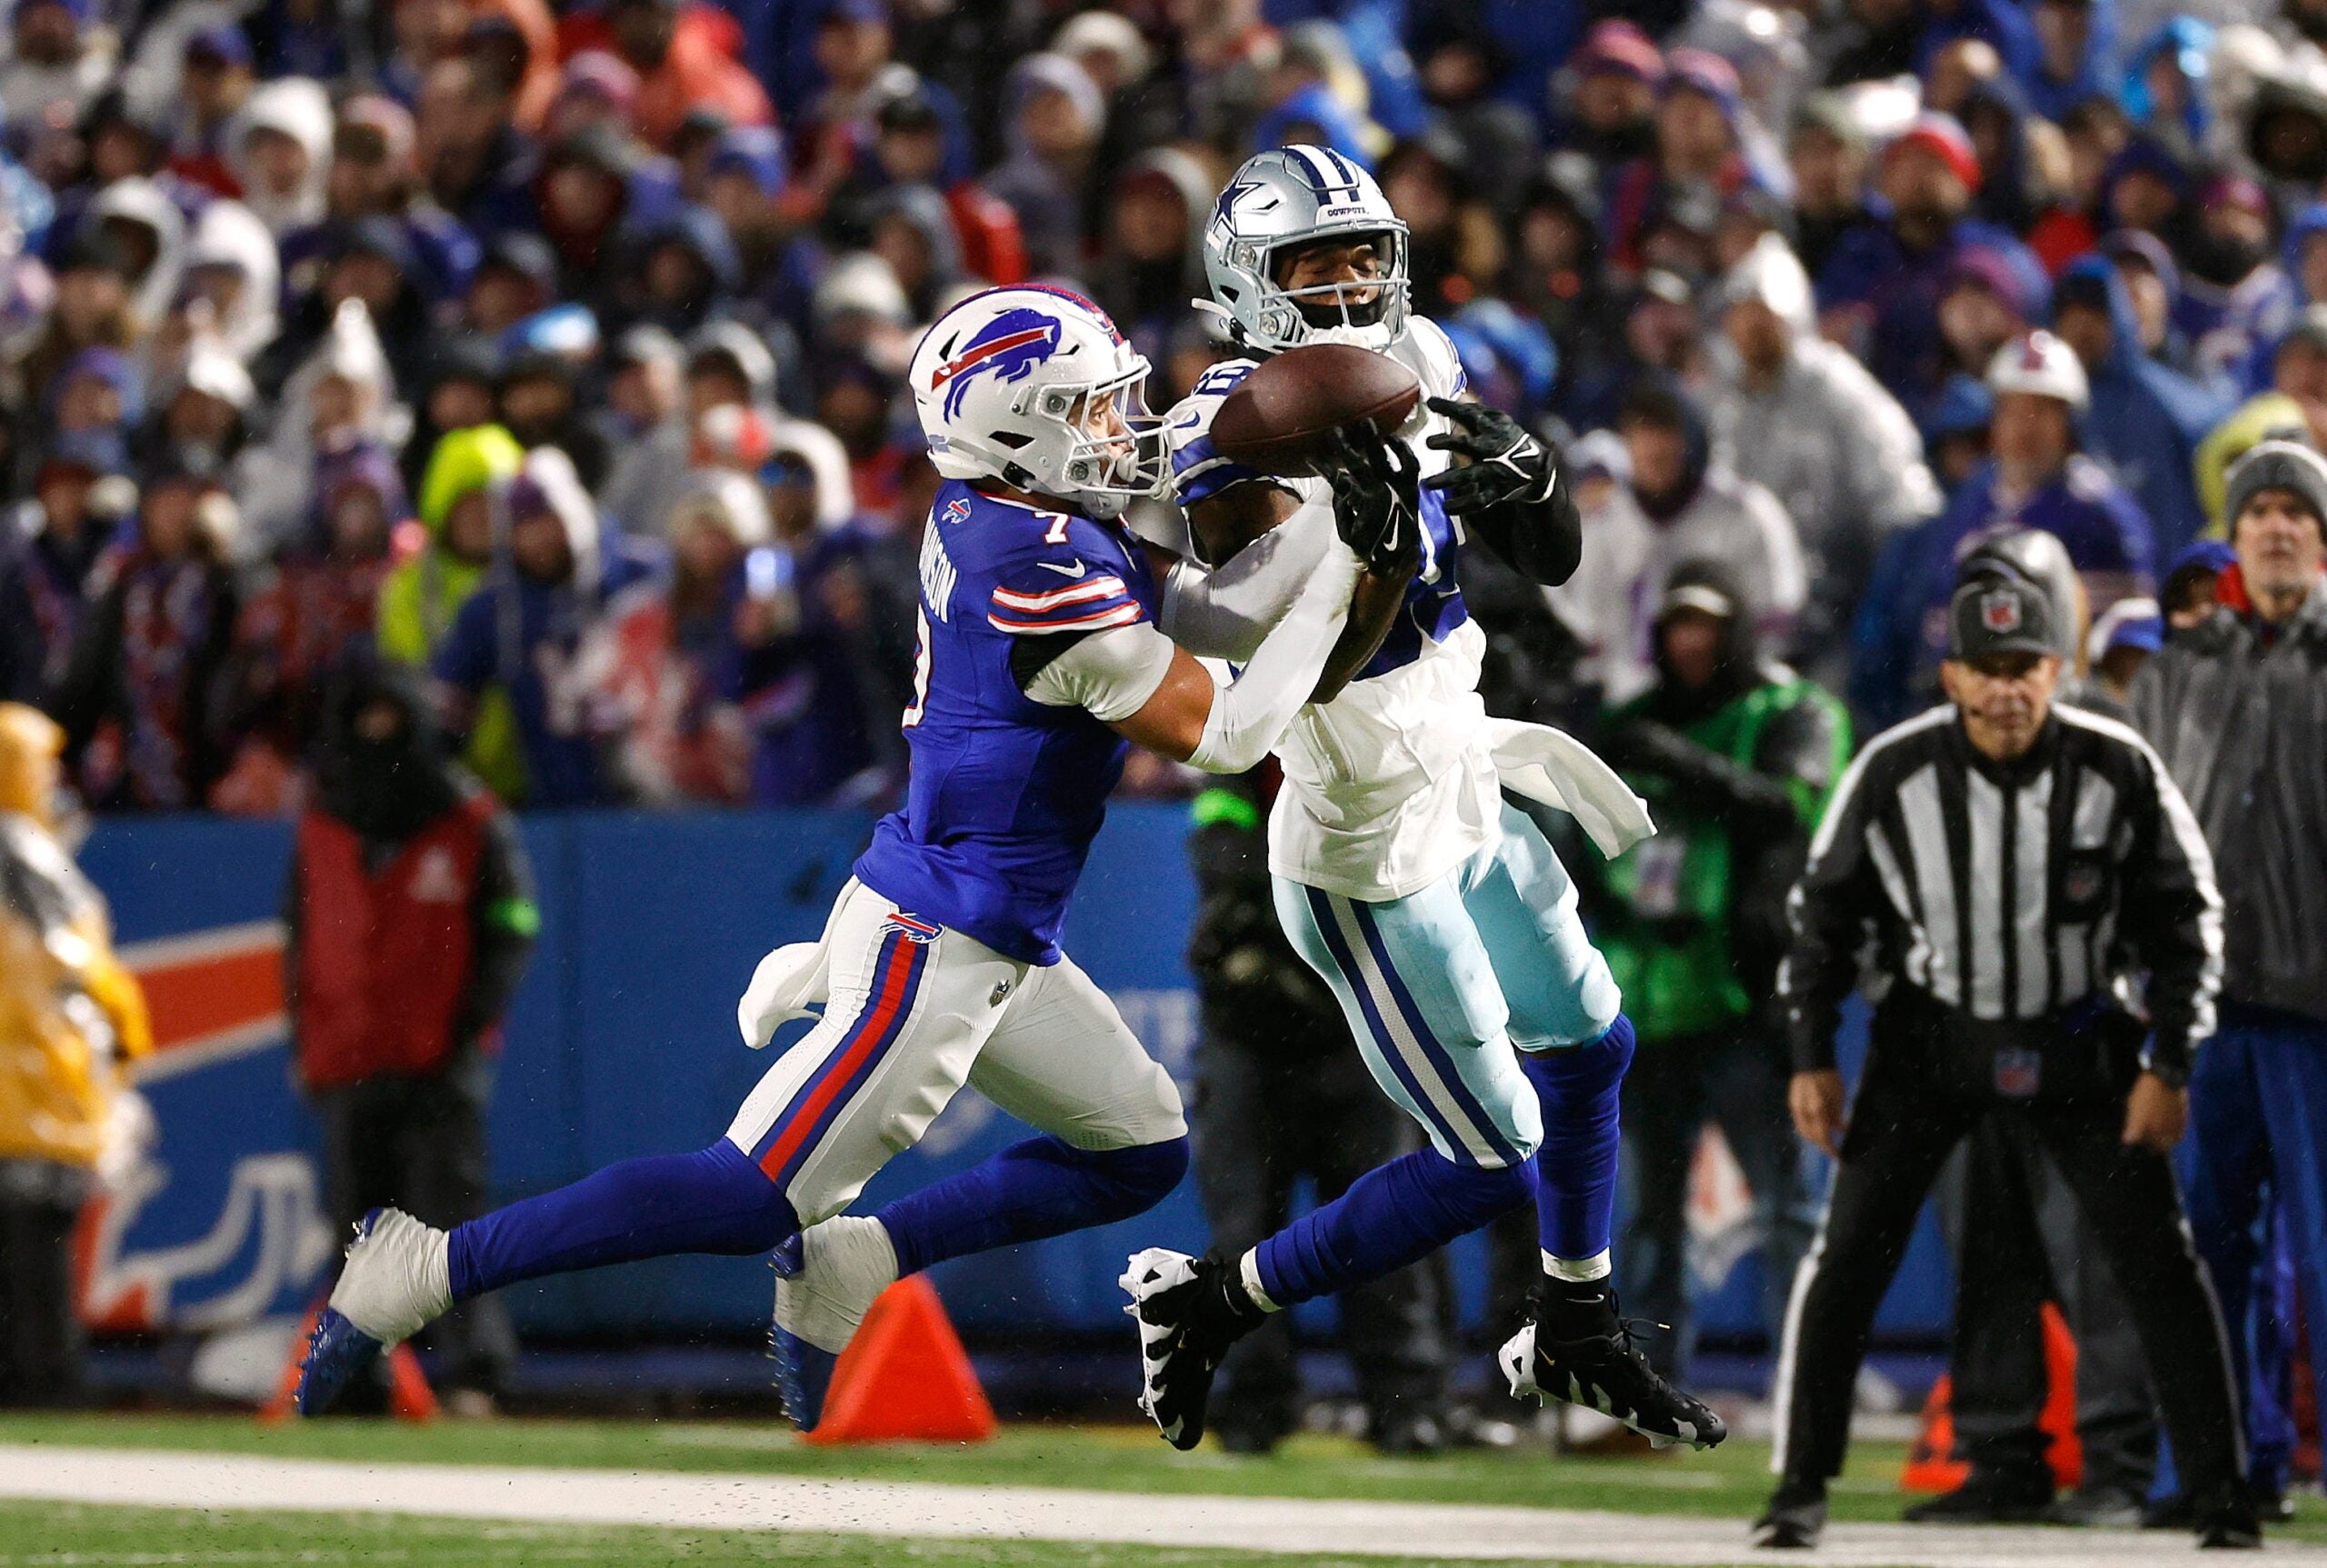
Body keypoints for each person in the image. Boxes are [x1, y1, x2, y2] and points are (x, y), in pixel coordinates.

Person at [293, 284, 1389, 1431]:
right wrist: (1343, 570)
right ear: (1019, 427)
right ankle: (421, 1267)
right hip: (942, 936)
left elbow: (1200, 608)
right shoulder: (1037, 567)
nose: (1121, 429)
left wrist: (1320, 533)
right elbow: (1219, 728)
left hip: (990, 923)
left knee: (1138, 1146)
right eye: (1091, 408)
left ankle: (858, 1261)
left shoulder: (1011, 512)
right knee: (745, 1191)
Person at [1123, 146, 1723, 1456]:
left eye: (1361, 257)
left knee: (1593, 1045)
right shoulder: (1224, 424)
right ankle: (1214, 1302)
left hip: (1462, 774)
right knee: (1487, 1153)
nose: (1346, 287)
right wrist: (1357, 548)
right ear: (1248, 282)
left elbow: (1546, 562)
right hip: (1362, 842)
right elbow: (1247, 642)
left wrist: (1537, 480)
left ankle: (1574, 1317)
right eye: (1312, 264)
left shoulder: (1429, 364)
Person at [1755, 568, 2253, 1551]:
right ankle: (1798, 1490)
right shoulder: (1895, 771)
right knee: (1845, 1256)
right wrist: (1811, 1054)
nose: (2005, 691)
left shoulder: (2116, 765)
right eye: (1984, 670)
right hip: (1931, 1037)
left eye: (2023, 667)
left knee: (2160, 1262)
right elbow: (1822, 919)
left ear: (2058, 670)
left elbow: (2186, 916)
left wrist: (2170, 1060)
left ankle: (2218, 1493)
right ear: (1950, 676)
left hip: (2078, 1035)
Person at [2131, 438, 2327, 1526]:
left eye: (2299, 512)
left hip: (2316, 1015)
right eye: (2262, 513)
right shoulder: (2175, 670)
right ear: (2237, 535)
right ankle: (2210, 1469)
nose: (2280, 526)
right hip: (2204, 1015)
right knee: (2202, 1256)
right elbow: (2146, 843)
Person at [1588, 564, 1845, 1388]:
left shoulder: (1791, 708)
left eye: (1706, 624)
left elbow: (1794, 808)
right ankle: (1651, 1381)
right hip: (1651, 999)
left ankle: (1810, 1375)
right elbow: (1570, 837)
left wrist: (1681, 766)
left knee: (1789, 1208)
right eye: (1676, 624)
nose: (1691, 642)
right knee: (1648, 1217)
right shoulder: (1629, 718)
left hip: (1748, 995)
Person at [287, 662, 534, 1413]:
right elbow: (298, 939)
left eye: (390, 718)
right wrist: (309, 1034)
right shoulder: (323, 821)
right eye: (363, 719)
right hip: (348, 1054)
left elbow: (513, 924)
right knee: (356, 1226)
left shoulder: (466, 816)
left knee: (447, 1222)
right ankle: (356, 1377)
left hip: (437, 1058)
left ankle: (473, 1372)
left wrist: (470, 1023)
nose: (376, 736)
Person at [1182, 764, 1450, 1454]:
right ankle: (1253, 1406)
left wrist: (1275, 907)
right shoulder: (1229, 776)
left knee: (1381, 1228)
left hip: (1353, 1036)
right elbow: (1225, 862)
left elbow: (1388, 879)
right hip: (1250, 1038)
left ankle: (1404, 1405)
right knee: (1244, 1231)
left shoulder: (1366, 768)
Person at [1850, 330, 2157, 733]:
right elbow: (1937, 635)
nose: (2025, 427)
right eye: (2013, 410)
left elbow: (2119, 658)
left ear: (2069, 421)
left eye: (2042, 411)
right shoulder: (1970, 504)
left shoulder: (2103, 515)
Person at [1704, 235, 1938, 684]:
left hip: (1841, 620)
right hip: (1747, 624)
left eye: (1765, 314)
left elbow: (1905, 500)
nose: (1753, 327)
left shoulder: (1838, 390)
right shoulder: (1723, 402)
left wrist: (1885, 603)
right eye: (1743, 312)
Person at [0, 704, 149, 1408]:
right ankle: (49, 1385)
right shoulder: (21, 859)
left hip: (29, 1091)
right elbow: (82, 973)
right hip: (29, 1094)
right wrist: (123, 1048)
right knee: (36, 1261)